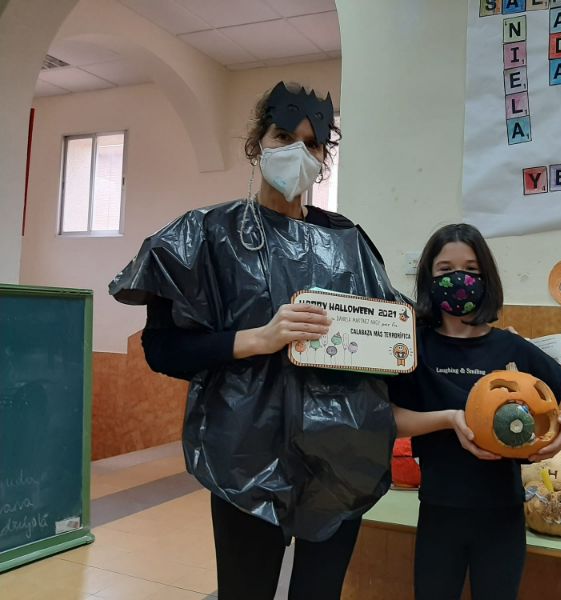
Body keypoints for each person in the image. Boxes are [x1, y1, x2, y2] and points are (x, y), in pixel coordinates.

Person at [109, 82, 399, 600]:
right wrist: (255, 340)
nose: (297, 153)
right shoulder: (205, 235)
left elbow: (391, 348)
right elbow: (162, 349)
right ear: (256, 143)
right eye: (283, 136)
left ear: (323, 159)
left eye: (312, 144)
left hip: (340, 461)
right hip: (243, 461)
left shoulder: (348, 243)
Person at [389, 223, 561, 600]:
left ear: (486, 278)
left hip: (502, 511)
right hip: (439, 509)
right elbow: (390, 419)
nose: (459, 279)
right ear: (429, 278)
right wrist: (449, 419)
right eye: (446, 270)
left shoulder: (510, 347)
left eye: (470, 269)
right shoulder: (415, 345)